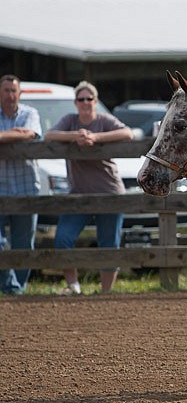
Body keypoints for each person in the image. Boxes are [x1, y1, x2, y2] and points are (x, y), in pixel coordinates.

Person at [44, 81, 133, 294]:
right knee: (63, 238)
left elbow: (127, 133)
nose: (85, 103)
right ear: (75, 102)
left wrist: (95, 137)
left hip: (109, 192)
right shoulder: (70, 120)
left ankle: (105, 292)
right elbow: (49, 135)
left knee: (108, 243)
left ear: (95, 101)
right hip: (79, 194)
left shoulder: (104, 120)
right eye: (81, 99)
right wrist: (76, 136)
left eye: (89, 99)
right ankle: (73, 286)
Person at [0, 74, 42, 295]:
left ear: (20, 93)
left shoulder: (30, 113)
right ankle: (11, 288)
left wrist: (4, 136)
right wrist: (15, 134)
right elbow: (23, 134)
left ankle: (19, 287)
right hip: (1, 188)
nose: (9, 95)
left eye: (13, 90)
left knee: (24, 243)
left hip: (26, 187)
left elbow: (30, 133)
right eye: (6, 90)